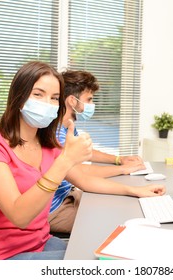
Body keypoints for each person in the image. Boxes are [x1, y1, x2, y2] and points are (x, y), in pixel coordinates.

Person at [0, 61, 165, 260]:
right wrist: (64, 161)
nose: (47, 103)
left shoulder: (46, 144)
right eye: (38, 94)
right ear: (19, 97)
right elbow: (19, 216)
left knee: (107, 252)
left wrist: (135, 191)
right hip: (2, 257)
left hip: (39, 242)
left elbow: (84, 180)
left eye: (54, 98)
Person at [48, 70, 146, 234]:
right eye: (89, 99)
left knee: (114, 205)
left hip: (69, 193)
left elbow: (86, 152)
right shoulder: (55, 133)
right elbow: (80, 173)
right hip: (56, 208)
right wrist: (122, 170)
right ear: (73, 100)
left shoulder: (66, 127)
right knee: (109, 221)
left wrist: (119, 159)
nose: (92, 105)